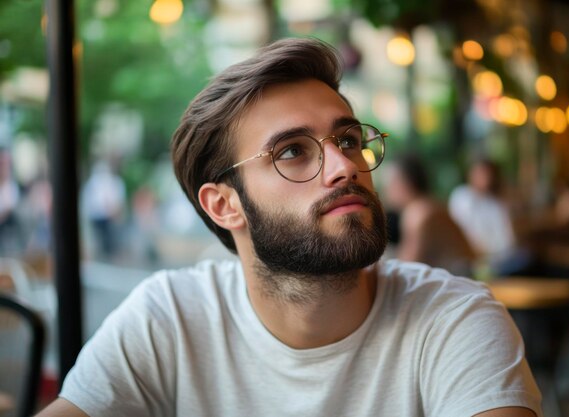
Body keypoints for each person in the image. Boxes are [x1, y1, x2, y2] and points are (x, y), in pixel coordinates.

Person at [38, 38, 542, 417]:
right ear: (224, 206)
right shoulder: (170, 319)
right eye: (292, 152)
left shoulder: (453, 319)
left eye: (347, 140)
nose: (344, 166)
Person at [384, 154, 476, 276]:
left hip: (459, 282)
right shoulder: (432, 205)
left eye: (389, 183)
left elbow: (406, 268)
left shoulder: (417, 213)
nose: (386, 190)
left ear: (404, 183)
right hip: (468, 275)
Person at [448, 158, 528, 276]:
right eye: (481, 173)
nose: (485, 178)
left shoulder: (495, 202)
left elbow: (509, 240)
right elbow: (458, 237)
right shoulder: (462, 197)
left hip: (501, 259)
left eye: (487, 174)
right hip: (474, 263)